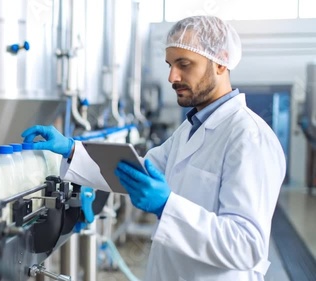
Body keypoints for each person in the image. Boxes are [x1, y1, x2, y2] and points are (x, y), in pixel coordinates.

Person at [21, 15, 286, 281]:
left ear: (220, 62)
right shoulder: (190, 128)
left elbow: (246, 246)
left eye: (184, 64)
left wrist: (167, 206)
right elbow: (133, 172)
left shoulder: (249, 137)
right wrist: (72, 150)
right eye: (170, 64)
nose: (172, 76)